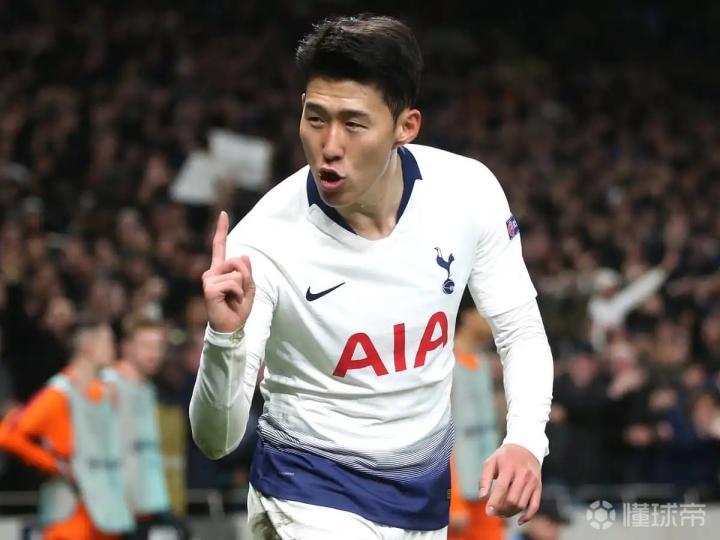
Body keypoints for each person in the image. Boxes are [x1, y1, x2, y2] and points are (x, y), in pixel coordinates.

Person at [190, 14, 553, 539]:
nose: (330, 144)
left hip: (420, 498)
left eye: (354, 124)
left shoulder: (467, 193)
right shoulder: (261, 247)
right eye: (316, 118)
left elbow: (520, 331)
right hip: (306, 491)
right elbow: (217, 440)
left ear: (406, 126)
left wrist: (526, 441)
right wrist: (224, 339)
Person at [0, 320, 134, 540]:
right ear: (87, 346)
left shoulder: (102, 393)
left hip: (104, 518)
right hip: (68, 520)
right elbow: (7, 436)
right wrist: (53, 464)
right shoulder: (58, 394)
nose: (113, 349)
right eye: (107, 341)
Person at [102, 316, 188, 539]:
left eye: (159, 346)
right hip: (116, 508)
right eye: (146, 346)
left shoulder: (147, 388)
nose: (154, 353)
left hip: (143, 508)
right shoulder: (109, 384)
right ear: (126, 347)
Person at [449, 291, 505, 540]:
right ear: (468, 316)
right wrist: (453, 500)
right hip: (459, 496)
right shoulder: (446, 364)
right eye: (485, 312)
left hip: (486, 490)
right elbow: (441, 437)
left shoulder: (482, 364)